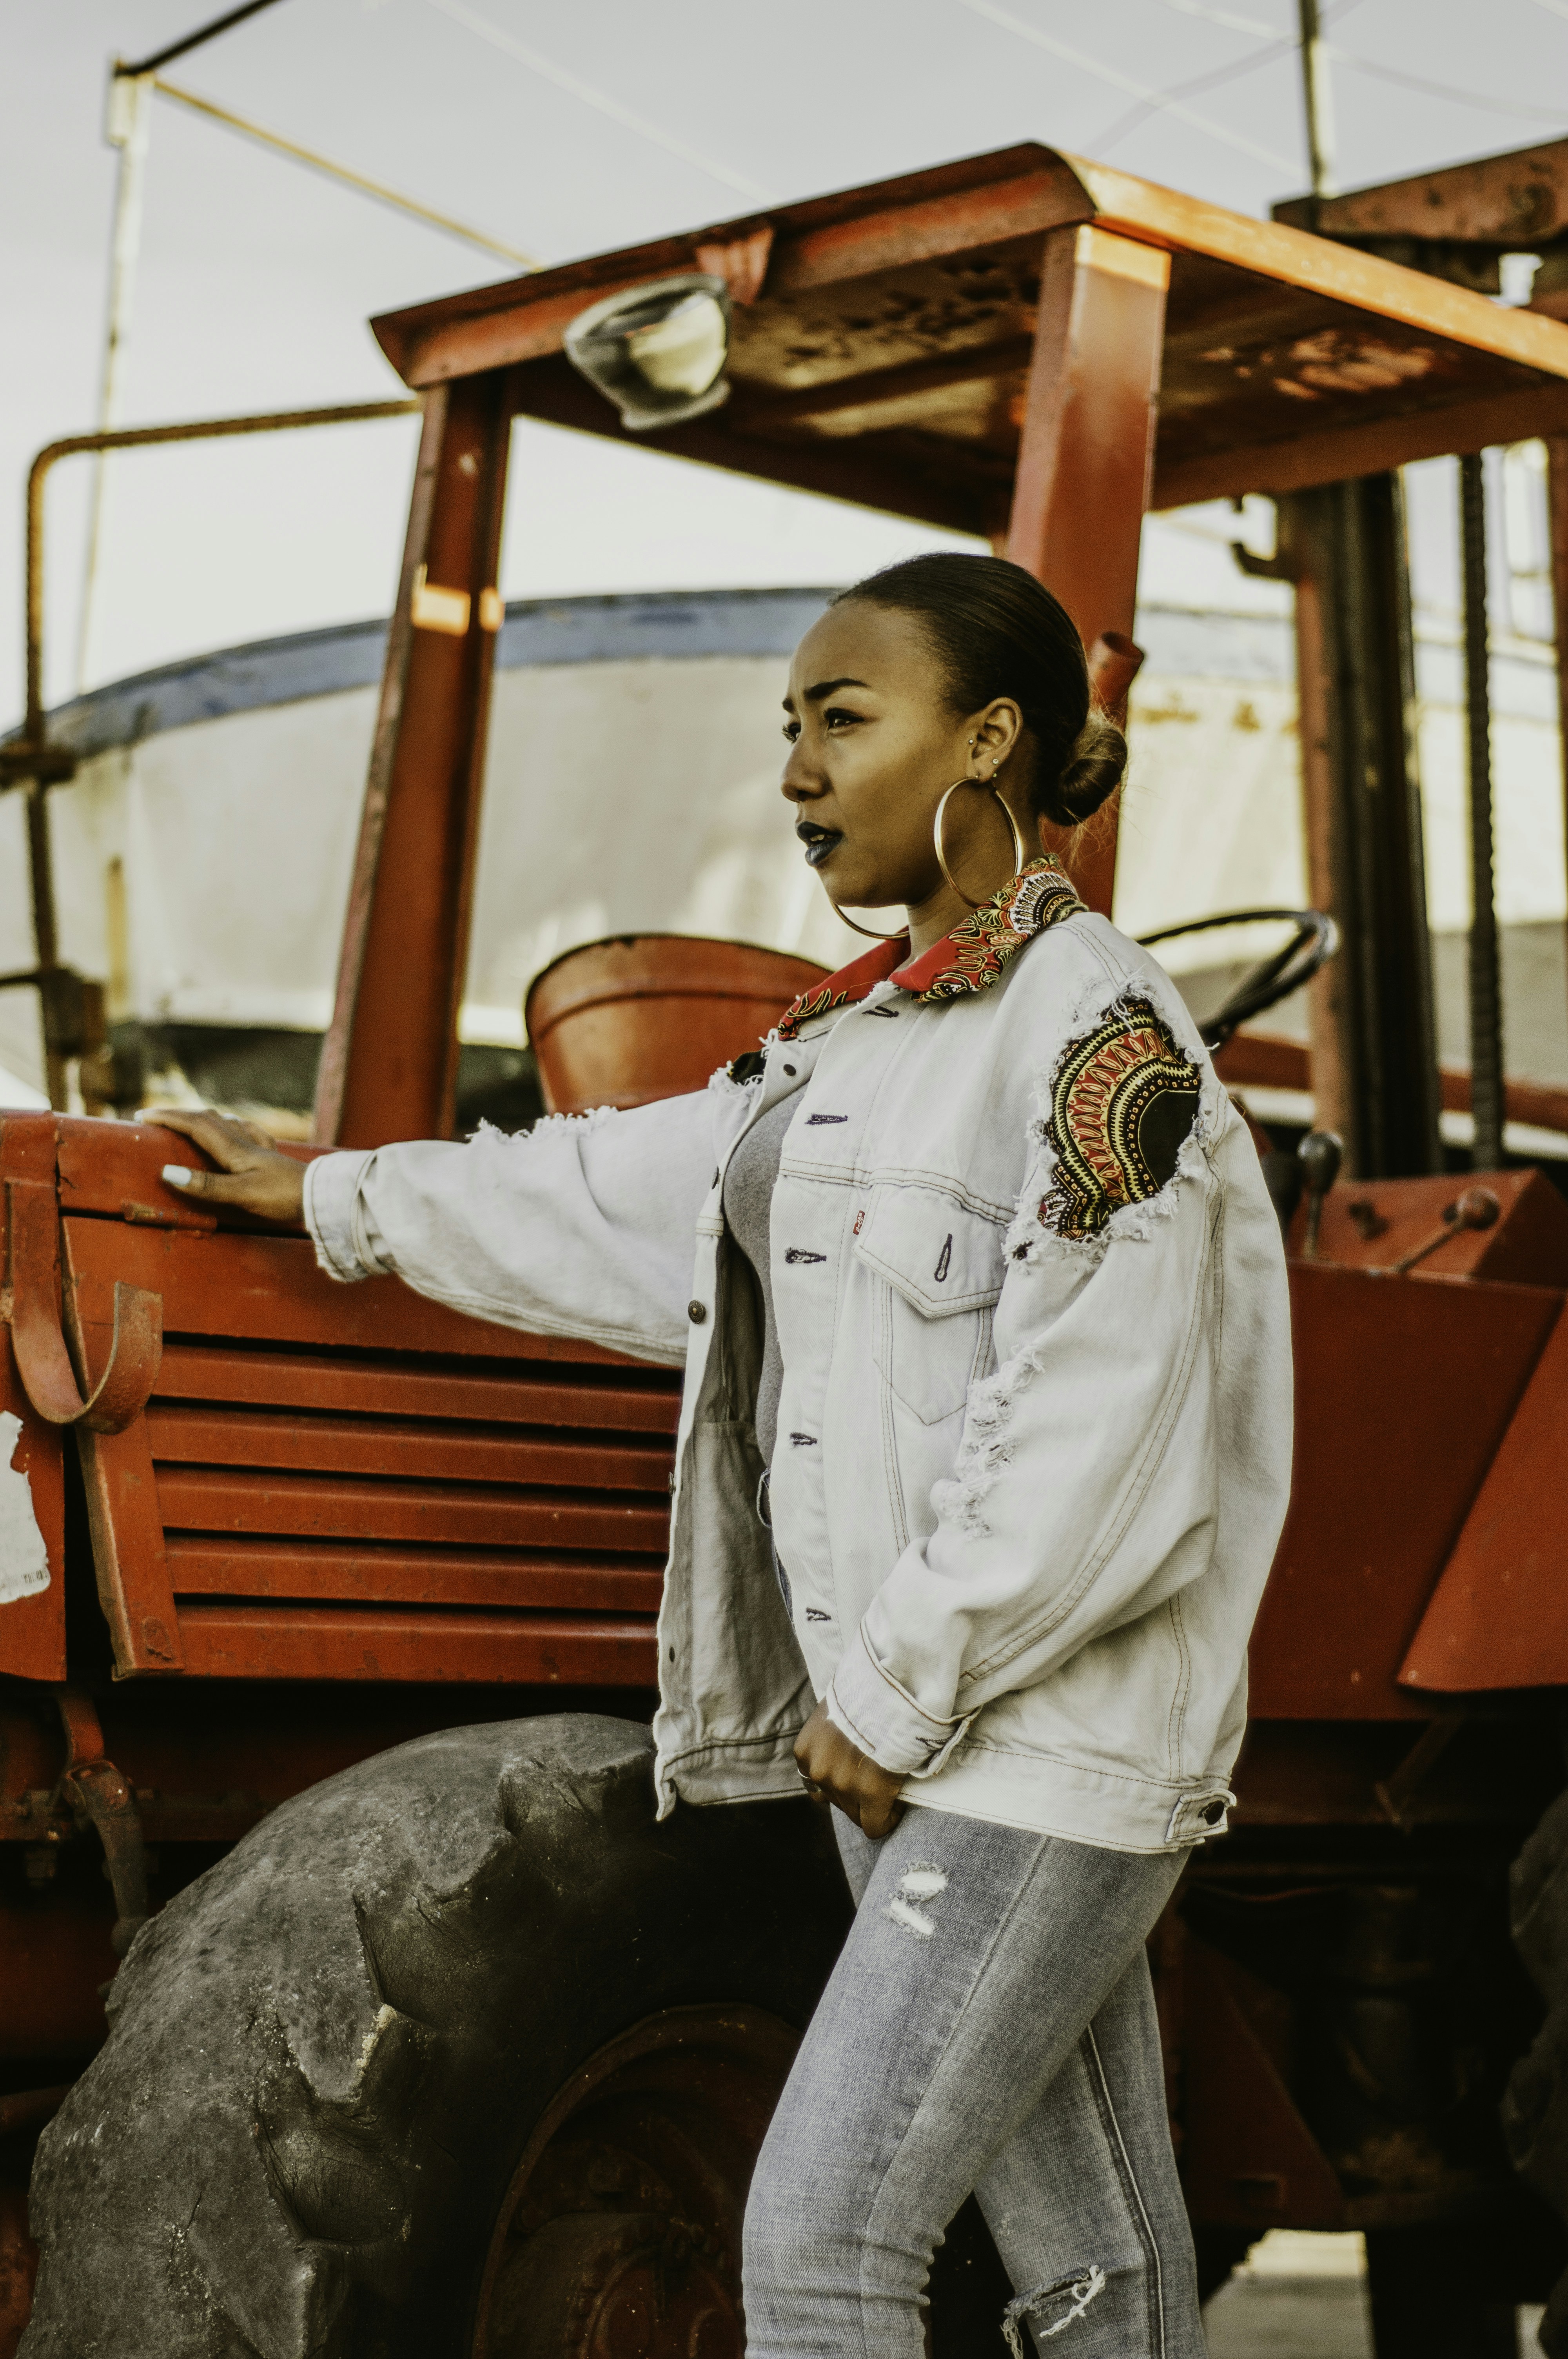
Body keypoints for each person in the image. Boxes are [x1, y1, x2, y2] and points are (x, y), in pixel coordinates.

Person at [151, 552, 1292, 2359]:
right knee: (1093, 2263)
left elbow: (1110, 1432)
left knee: (824, 2243)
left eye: (844, 719)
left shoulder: (1096, 1038)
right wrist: (336, 1192)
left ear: (987, 736)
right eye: (791, 728)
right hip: (928, 1739)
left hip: (1033, 1747)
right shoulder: (858, 1049)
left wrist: (899, 1689)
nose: (796, 773)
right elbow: (613, 1188)